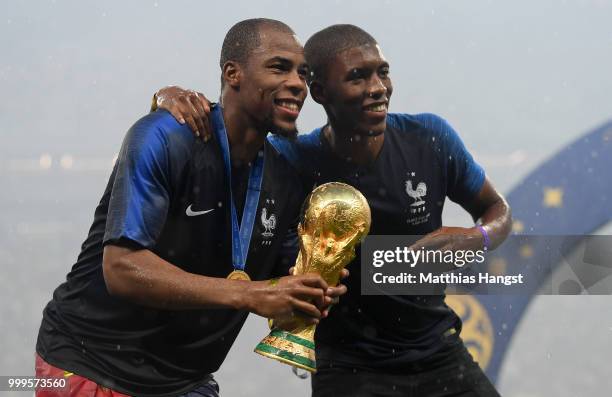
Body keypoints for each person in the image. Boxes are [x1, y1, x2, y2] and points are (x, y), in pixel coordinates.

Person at [155, 23, 512, 397]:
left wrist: (479, 235)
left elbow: (497, 209)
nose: (377, 88)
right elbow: (223, 144)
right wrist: (167, 98)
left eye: (383, 72)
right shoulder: (292, 160)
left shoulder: (429, 138)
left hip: (439, 351)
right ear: (320, 92)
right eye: (358, 77)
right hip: (348, 367)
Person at [35, 18, 347, 397]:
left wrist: (305, 295)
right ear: (233, 73)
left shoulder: (284, 176)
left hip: (185, 382)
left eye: (303, 73)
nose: (297, 83)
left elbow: (281, 282)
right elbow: (122, 268)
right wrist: (251, 295)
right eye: (279, 67)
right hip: (89, 366)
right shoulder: (165, 137)